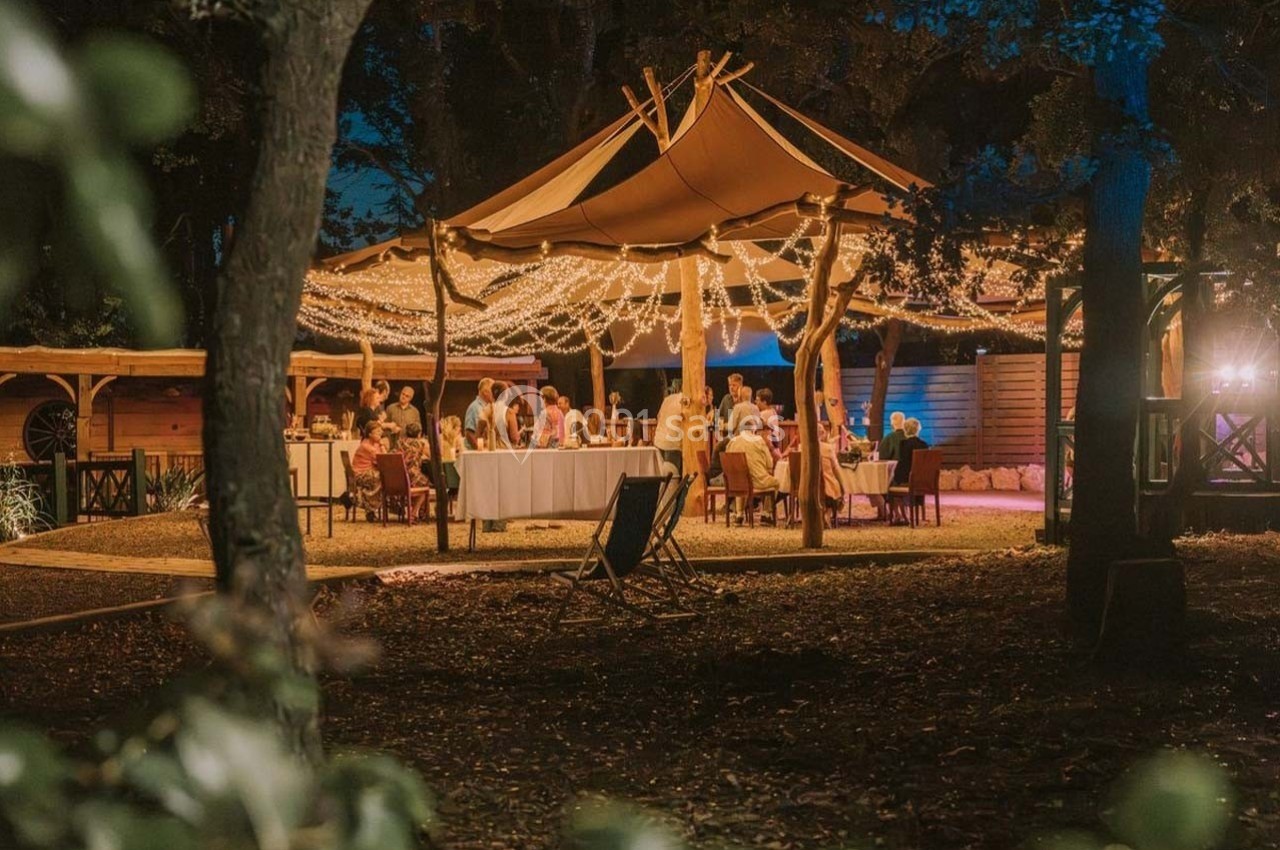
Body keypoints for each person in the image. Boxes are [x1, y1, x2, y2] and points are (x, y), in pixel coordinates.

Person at [725, 417, 780, 524]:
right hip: (757, 482)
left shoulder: (732, 442)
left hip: (736, 483)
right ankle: (766, 513)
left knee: (741, 477)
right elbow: (770, 463)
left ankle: (739, 514)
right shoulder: (758, 440)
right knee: (777, 483)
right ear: (753, 429)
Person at [351, 420, 385, 521]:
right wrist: (382, 445)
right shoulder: (368, 447)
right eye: (377, 432)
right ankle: (370, 508)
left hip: (366, 472)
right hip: (361, 475)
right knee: (382, 478)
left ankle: (372, 507)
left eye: (380, 431)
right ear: (370, 434)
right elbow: (384, 461)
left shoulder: (373, 444)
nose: (380, 433)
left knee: (385, 476)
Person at [653, 386, 685, 473]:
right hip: (673, 444)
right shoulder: (686, 401)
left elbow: (658, 417)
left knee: (662, 476)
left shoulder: (668, 399)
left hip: (659, 441)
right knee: (672, 477)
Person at [464, 378, 495, 449]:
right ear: (485, 392)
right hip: (475, 451)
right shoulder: (474, 407)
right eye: (492, 391)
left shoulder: (488, 407)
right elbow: (469, 432)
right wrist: (478, 448)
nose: (494, 394)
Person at [755, 388, 785, 461]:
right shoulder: (773, 411)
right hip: (775, 445)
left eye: (758, 400)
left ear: (764, 402)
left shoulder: (764, 414)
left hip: (769, 447)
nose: (756, 402)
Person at [398, 421, 431, 487]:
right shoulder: (420, 443)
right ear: (419, 434)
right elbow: (430, 456)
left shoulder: (400, 442)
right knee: (433, 482)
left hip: (400, 477)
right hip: (413, 477)